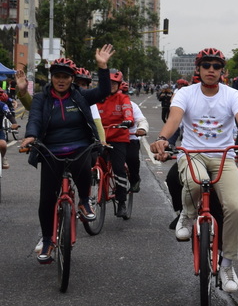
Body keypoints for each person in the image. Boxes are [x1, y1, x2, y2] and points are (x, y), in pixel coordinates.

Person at [150, 48, 238, 293]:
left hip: (224, 157)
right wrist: (162, 139)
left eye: (216, 66)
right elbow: (174, 120)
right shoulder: (185, 93)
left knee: (236, 206)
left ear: (222, 71)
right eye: (206, 65)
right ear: (198, 69)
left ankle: (228, 263)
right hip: (193, 154)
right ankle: (187, 215)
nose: (211, 70)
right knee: (196, 181)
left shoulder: (232, 95)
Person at [23, 46, 114, 263]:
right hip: (50, 151)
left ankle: (84, 200)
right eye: (57, 76)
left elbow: (103, 92)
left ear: (72, 79)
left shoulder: (80, 96)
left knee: (84, 161)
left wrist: (102, 67)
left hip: (79, 147)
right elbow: (34, 118)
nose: (61, 80)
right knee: (46, 199)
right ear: (52, 78)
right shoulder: (41, 99)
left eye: (65, 77)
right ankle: (47, 240)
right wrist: (30, 136)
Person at [95, 69, 135, 218]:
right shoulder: (97, 97)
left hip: (118, 137)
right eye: (108, 82)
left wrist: (128, 121)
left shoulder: (122, 98)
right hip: (99, 138)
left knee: (119, 169)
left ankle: (121, 202)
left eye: (114, 83)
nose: (111, 85)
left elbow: (127, 111)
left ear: (118, 85)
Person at [122, 81, 148, 193]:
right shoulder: (103, 104)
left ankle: (134, 180)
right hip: (109, 139)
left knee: (132, 158)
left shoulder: (132, 106)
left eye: (124, 93)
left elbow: (141, 120)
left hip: (130, 138)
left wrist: (141, 129)